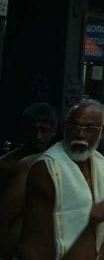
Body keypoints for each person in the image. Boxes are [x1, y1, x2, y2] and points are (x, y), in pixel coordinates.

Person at [19, 100, 104, 259]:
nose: (80, 134)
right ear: (65, 127)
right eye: (75, 126)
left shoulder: (100, 166)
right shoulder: (49, 168)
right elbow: (90, 215)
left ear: (102, 131)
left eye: (89, 128)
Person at [0, 103, 58, 256]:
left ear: (53, 132)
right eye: (33, 130)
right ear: (24, 130)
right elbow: (4, 217)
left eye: (43, 130)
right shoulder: (9, 164)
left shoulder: (58, 163)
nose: (38, 136)